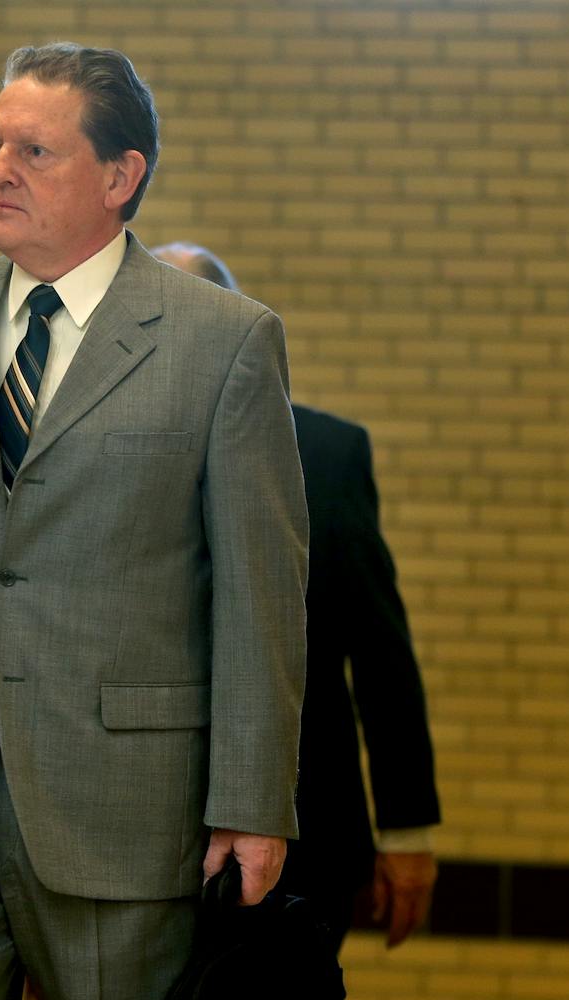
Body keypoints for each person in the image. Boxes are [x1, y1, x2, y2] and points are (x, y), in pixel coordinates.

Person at [0, 43, 309, 1000]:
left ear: (123, 177)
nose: (0, 170)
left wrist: (251, 804)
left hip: (119, 805)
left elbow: (261, 595)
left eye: (35, 152)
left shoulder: (223, 342)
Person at [152, 241, 442, 953]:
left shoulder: (325, 453)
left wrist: (406, 828)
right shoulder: (83, 448)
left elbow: (380, 652)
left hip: (302, 825)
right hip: (132, 825)